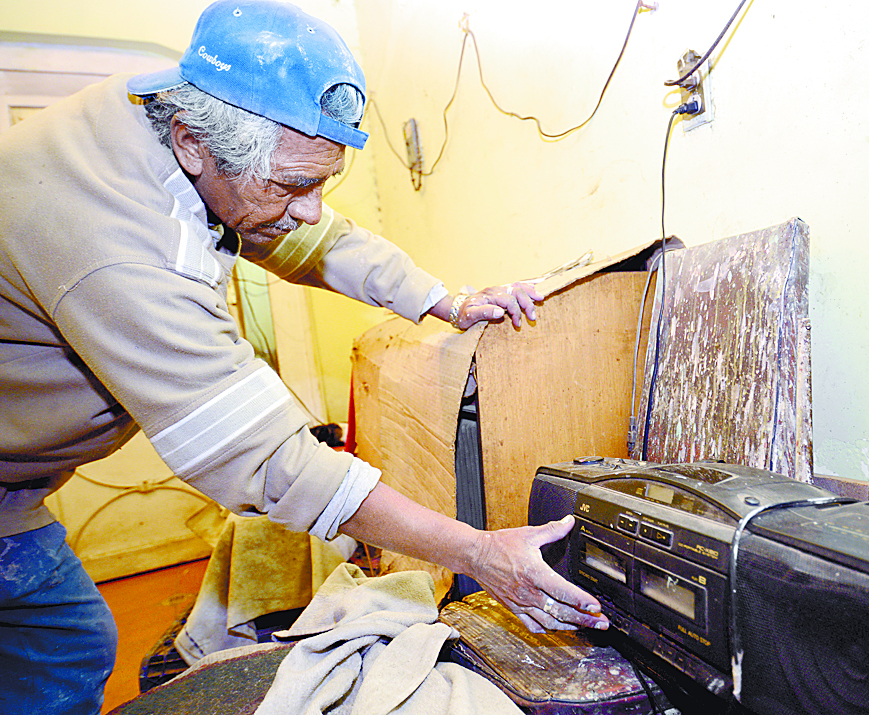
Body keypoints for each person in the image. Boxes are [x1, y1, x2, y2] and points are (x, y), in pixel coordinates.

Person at [0, 1, 608, 713]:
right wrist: (475, 552)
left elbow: (314, 238)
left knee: (63, 641)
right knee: (62, 645)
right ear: (194, 144)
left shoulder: (175, 118)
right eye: (294, 185)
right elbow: (268, 460)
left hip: (18, 487)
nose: (312, 206)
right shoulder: (115, 242)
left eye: (325, 181)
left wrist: (443, 300)